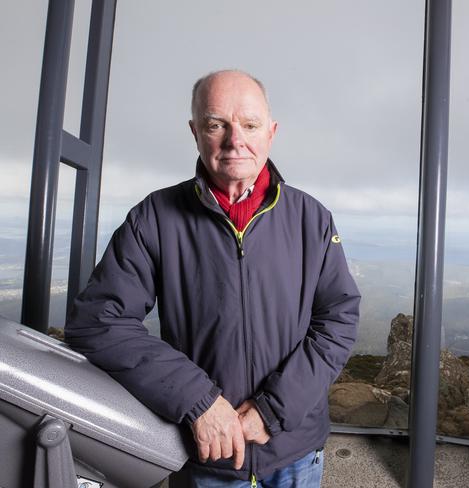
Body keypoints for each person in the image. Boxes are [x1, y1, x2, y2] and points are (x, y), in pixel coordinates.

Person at [65, 70, 361, 487]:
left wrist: (273, 411)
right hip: (204, 456)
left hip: (295, 453)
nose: (234, 139)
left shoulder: (311, 218)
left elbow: (338, 318)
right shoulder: (154, 217)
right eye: (216, 124)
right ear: (195, 132)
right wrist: (199, 401)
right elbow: (97, 321)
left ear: (271, 133)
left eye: (250, 125)